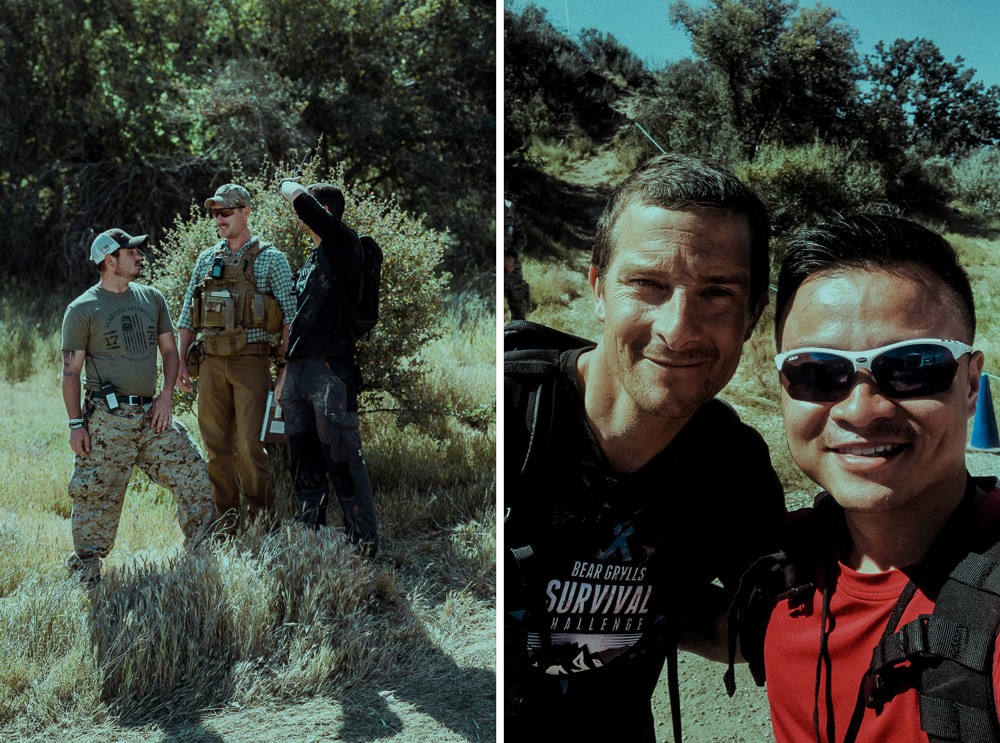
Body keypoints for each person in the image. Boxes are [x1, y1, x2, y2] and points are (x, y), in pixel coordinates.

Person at [504, 152, 786, 741]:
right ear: (598, 287)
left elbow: (748, 625)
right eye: (648, 284)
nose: (678, 328)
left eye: (717, 293)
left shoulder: (733, 468)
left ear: (754, 314)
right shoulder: (509, 411)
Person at [740, 214, 1000, 742]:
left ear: (972, 385)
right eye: (817, 371)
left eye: (914, 365)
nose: (861, 409)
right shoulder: (778, 566)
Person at [61, 228, 216, 585]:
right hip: (108, 418)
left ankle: (203, 553)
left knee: (192, 472)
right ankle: (85, 569)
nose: (139, 256)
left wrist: (166, 397)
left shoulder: (151, 298)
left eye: (138, 251)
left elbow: (170, 352)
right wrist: (75, 425)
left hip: (153, 415)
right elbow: (70, 372)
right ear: (109, 260)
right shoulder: (83, 308)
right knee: (96, 493)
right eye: (130, 252)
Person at [176, 183, 297, 532]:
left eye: (227, 212)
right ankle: (227, 522)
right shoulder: (206, 259)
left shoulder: (271, 258)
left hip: (251, 362)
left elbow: (290, 317)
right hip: (211, 363)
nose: (220, 219)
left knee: (248, 446)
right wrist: (181, 363)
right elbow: (188, 316)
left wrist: (285, 369)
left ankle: (261, 522)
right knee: (216, 447)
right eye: (216, 213)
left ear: (246, 212)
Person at [275, 179, 378, 558]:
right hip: (300, 370)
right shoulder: (312, 260)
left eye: (310, 209)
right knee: (302, 459)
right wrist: (285, 372)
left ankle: (363, 548)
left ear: (326, 213)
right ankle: (310, 542)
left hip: (332, 370)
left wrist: (287, 184)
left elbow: (303, 203)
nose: (298, 215)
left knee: (342, 458)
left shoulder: (343, 244)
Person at [503, 197, 532, 320]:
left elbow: (521, 238)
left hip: (511, 268)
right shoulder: (485, 207)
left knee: (518, 310)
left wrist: (511, 256)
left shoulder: (509, 207)